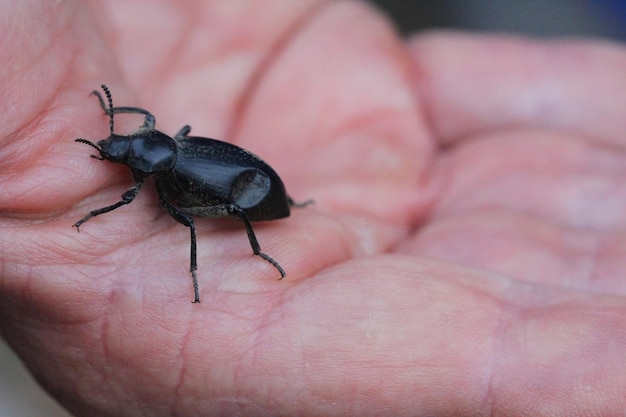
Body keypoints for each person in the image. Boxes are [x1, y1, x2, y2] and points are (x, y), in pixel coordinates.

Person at [1, 1, 625, 416]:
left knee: (185, 216)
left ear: (147, 152)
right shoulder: (170, 143)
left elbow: (158, 184)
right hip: (257, 180)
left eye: (122, 145)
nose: (117, 148)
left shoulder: (163, 173)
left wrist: (92, 216)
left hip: (259, 196)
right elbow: (157, 150)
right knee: (195, 207)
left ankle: (258, 241)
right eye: (121, 145)